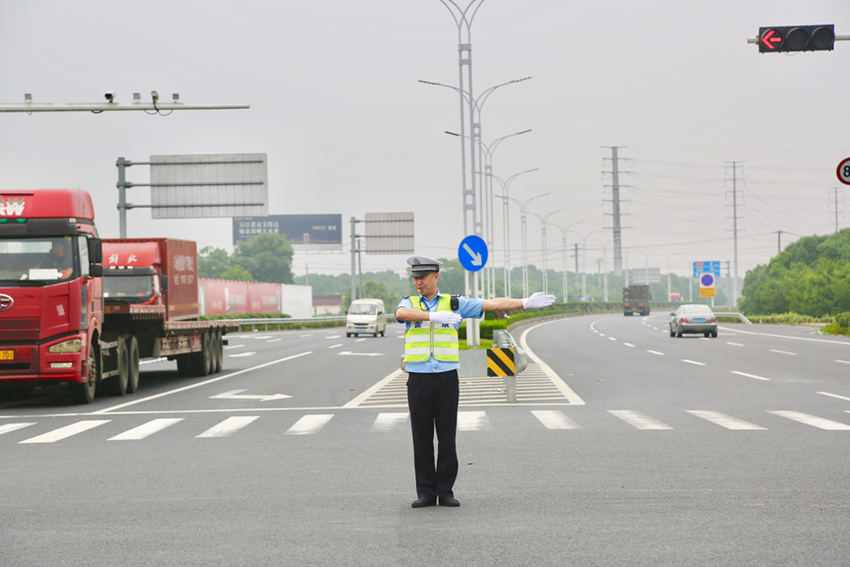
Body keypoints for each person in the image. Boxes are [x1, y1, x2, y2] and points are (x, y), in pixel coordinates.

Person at [395, 255, 555, 508]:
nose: (418, 283)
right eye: (415, 278)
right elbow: (401, 313)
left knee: (447, 436)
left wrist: (525, 302)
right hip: (419, 378)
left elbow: (491, 304)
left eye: (423, 278)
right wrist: (435, 317)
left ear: (436, 277)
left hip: (446, 376)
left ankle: (445, 491)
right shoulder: (409, 302)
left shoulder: (454, 303)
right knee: (421, 437)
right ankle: (426, 492)